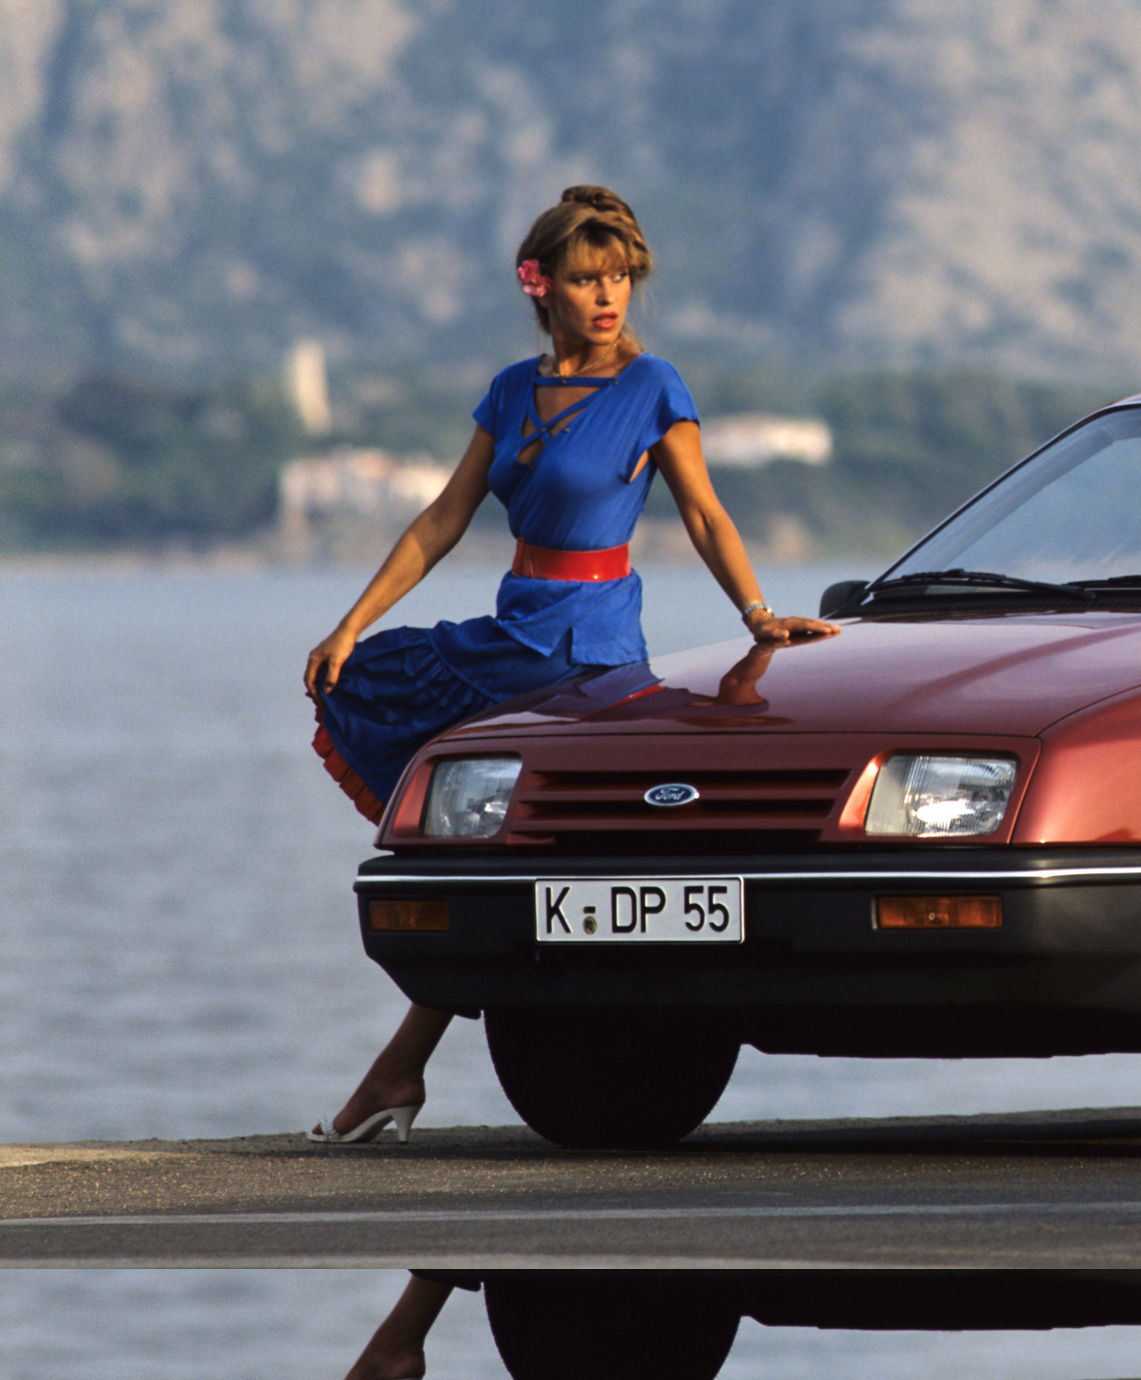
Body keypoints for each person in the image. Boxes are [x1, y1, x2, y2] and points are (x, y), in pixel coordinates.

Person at [303, 185, 836, 1145]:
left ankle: (394, 1072)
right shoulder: (511, 390)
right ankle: (396, 1069)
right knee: (383, 694)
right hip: (514, 632)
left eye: (621, 276)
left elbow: (707, 514)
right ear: (541, 286)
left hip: (587, 651)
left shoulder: (653, 387)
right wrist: (348, 623)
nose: (608, 296)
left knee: (491, 847)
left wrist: (759, 616)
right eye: (589, 278)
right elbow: (442, 519)